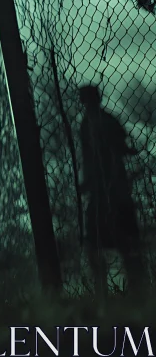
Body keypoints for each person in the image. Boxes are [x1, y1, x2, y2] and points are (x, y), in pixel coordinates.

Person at [77, 84, 146, 299]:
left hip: (111, 192)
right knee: (112, 243)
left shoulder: (100, 123)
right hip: (107, 192)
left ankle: (132, 290)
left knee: (119, 242)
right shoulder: (90, 124)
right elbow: (95, 157)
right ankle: (119, 292)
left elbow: (117, 152)